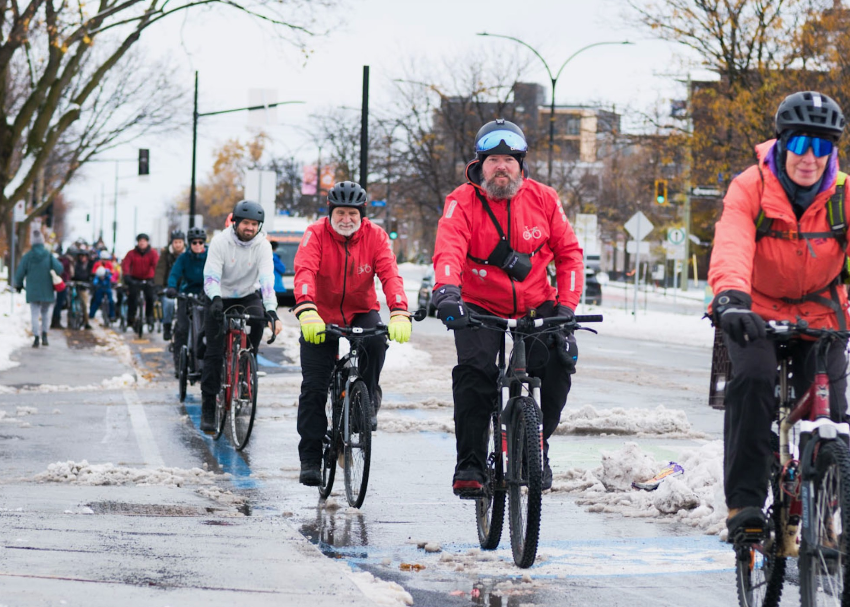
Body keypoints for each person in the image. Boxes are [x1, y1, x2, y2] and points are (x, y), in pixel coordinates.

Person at [708, 91, 850, 545]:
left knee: (831, 404)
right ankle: (746, 504)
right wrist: (731, 299)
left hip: (821, 315)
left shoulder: (847, 194)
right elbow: (731, 245)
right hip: (756, 312)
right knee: (752, 381)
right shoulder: (750, 185)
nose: (810, 158)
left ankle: (827, 504)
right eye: (800, 145)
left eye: (822, 146)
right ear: (782, 143)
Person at [430, 119, 584, 497]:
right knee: (475, 373)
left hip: (536, 304)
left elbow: (570, 255)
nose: (502, 167)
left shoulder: (545, 199)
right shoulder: (461, 201)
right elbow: (448, 250)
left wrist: (566, 306)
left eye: (510, 160)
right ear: (480, 164)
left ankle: (538, 445)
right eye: (494, 159)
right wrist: (447, 291)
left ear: (521, 164)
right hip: (479, 305)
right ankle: (470, 462)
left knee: (558, 364)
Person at [290, 181, 411, 486]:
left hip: (360, 310)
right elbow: (304, 270)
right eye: (341, 212)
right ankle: (310, 458)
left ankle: (365, 398)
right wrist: (306, 309)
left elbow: (390, 275)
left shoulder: (376, 236)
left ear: (362, 215)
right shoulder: (315, 234)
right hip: (319, 315)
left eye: (352, 213)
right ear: (331, 212)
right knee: (314, 388)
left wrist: (399, 310)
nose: (346, 219)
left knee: (376, 342)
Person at [200, 201, 283, 431]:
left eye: (254, 224)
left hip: (247, 294)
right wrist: (215, 299)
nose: (250, 228)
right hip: (218, 295)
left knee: (258, 320)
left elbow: (267, 279)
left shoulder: (263, 246)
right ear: (235, 222)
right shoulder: (220, 242)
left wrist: (272, 310)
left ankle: (248, 360)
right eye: (245, 223)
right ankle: (208, 405)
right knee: (214, 352)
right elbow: (211, 276)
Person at [165, 227, 209, 376]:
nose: (198, 245)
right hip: (187, 295)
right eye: (194, 242)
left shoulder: (211, 256)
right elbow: (174, 273)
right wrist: (171, 287)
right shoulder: (183, 258)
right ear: (189, 244)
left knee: (210, 328)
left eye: (200, 242)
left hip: (207, 295)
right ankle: (179, 363)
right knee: (182, 328)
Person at [14, 229, 64, 348]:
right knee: (45, 313)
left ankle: (36, 337)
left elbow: (20, 272)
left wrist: (19, 284)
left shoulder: (28, 256)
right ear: (42, 242)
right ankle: (45, 335)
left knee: (34, 313)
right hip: (47, 289)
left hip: (33, 290)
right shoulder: (48, 255)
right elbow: (59, 268)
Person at [121, 233, 159, 333]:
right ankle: (131, 318)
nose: (142, 243)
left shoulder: (153, 253)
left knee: (150, 297)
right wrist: (127, 276)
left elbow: (156, 266)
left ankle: (149, 316)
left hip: (148, 279)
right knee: (132, 297)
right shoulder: (131, 253)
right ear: (137, 242)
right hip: (135, 279)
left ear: (147, 242)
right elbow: (126, 265)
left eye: (144, 241)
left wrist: (156, 279)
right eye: (140, 241)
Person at [156, 229, 187, 340]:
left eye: (180, 242)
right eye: (175, 242)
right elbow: (160, 270)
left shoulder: (188, 254)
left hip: (185, 287)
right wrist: (159, 286)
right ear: (172, 243)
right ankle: (167, 326)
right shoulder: (166, 254)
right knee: (168, 303)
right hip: (169, 287)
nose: (178, 245)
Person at [50, 247, 73, 329]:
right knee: (59, 303)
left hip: (59, 283)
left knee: (58, 303)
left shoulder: (61, 259)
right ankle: (56, 321)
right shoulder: (67, 261)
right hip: (63, 283)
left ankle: (55, 321)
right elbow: (64, 271)